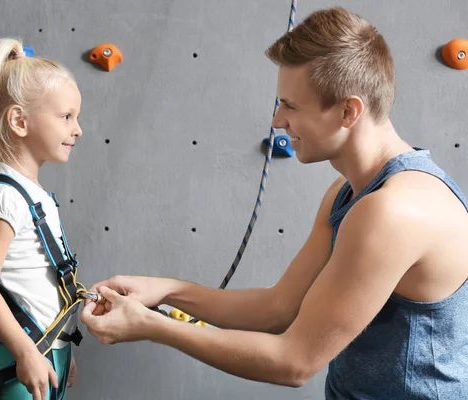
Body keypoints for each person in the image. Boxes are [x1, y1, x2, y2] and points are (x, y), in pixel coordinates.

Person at [80, 7, 468, 399]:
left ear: (348, 111)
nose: (277, 120)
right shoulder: (346, 193)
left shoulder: (392, 211)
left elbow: (294, 361)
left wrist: (151, 326)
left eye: (291, 106)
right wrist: (164, 291)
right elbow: (278, 308)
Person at [0, 38, 84, 400]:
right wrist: (28, 351)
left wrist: (59, 346)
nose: (78, 129)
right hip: (25, 354)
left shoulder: (35, 194)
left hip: (48, 351)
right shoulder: (6, 195)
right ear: (19, 121)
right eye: (66, 117)